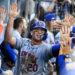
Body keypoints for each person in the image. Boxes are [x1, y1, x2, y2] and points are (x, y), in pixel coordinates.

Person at [5, 3, 60, 75]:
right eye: (36, 30)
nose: (39, 32)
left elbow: (57, 49)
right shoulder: (23, 42)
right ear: (31, 32)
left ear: (45, 34)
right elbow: (8, 39)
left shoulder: (46, 48)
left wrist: (65, 41)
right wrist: (11, 19)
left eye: (42, 31)